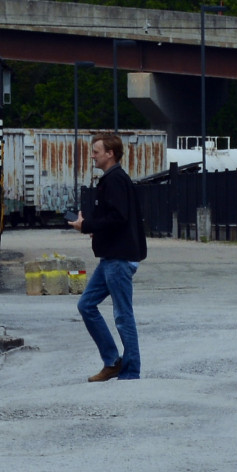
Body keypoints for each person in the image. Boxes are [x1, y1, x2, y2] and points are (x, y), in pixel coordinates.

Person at [68, 132, 148, 382]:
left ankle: (130, 371)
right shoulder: (115, 179)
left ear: (110, 153)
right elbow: (119, 220)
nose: (92, 155)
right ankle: (113, 362)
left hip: (118, 258)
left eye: (96, 151)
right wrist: (96, 231)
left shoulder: (114, 180)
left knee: (123, 315)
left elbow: (118, 217)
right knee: (86, 305)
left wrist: (87, 225)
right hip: (112, 256)